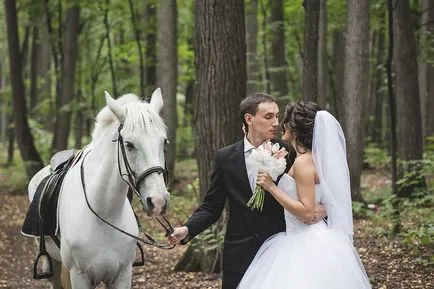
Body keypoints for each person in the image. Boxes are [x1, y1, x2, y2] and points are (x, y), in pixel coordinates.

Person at [168, 93, 326, 289]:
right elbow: (211, 207)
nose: (276, 123)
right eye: (268, 117)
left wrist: (324, 209)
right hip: (239, 254)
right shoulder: (225, 158)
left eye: (277, 116)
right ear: (249, 119)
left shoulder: (290, 152)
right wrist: (187, 229)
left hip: (280, 252)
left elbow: (315, 190)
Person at [237, 101, 372, 289]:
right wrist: (325, 208)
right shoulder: (315, 159)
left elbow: (308, 214)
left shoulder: (303, 163)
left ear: (293, 129)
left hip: (304, 242)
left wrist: (271, 187)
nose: (280, 124)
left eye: (284, 121)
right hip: (309, 237)